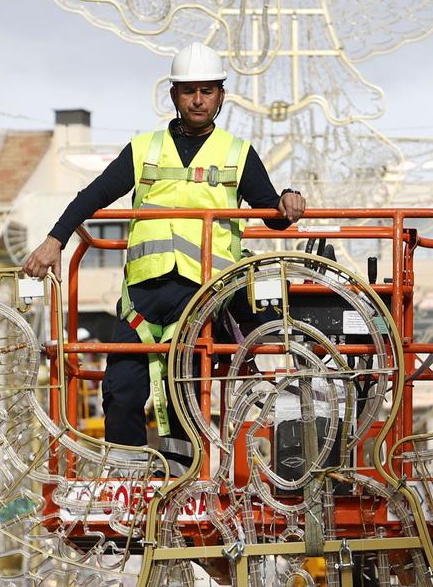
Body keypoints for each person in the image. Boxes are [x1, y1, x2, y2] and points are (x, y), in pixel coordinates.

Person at [20, 42, 308, 458]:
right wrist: (55, 240)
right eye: (189, 91)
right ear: (174, 95)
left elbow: (273, 213)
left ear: (221, 96)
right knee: (120, 390)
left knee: (181, 393)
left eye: (207, 91)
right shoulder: (144, 150)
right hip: (141, 297)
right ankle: (127, 478)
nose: (198, 100)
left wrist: (289, 197)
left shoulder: (237, 154)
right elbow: (93, 195)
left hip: (202, 294)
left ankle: (180, 478)